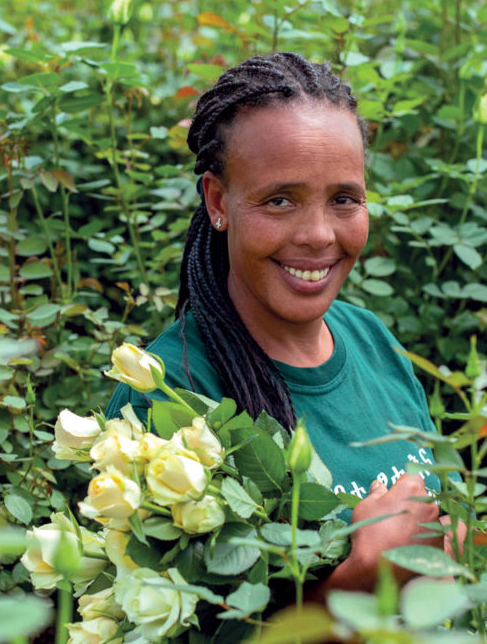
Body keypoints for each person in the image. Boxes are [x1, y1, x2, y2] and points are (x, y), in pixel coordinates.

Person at [105, 52, 452, 599]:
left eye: (344, 199)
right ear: (218, 201)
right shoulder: (166, 394)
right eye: (280, 200)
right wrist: (362, 583)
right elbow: (175, 643)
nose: (318, 234)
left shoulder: (371, 340)